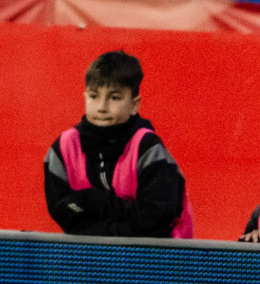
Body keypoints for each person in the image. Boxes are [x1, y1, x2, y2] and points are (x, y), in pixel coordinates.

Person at [43, 49, 192, 237]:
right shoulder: (62, 148)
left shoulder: (148, 148)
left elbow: (153, 219)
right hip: (89, 254)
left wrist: (92, 201)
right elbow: (63, 213)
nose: (102, 107)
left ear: (134, 105)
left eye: (114, 98)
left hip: (158, 257)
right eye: (94, 96)